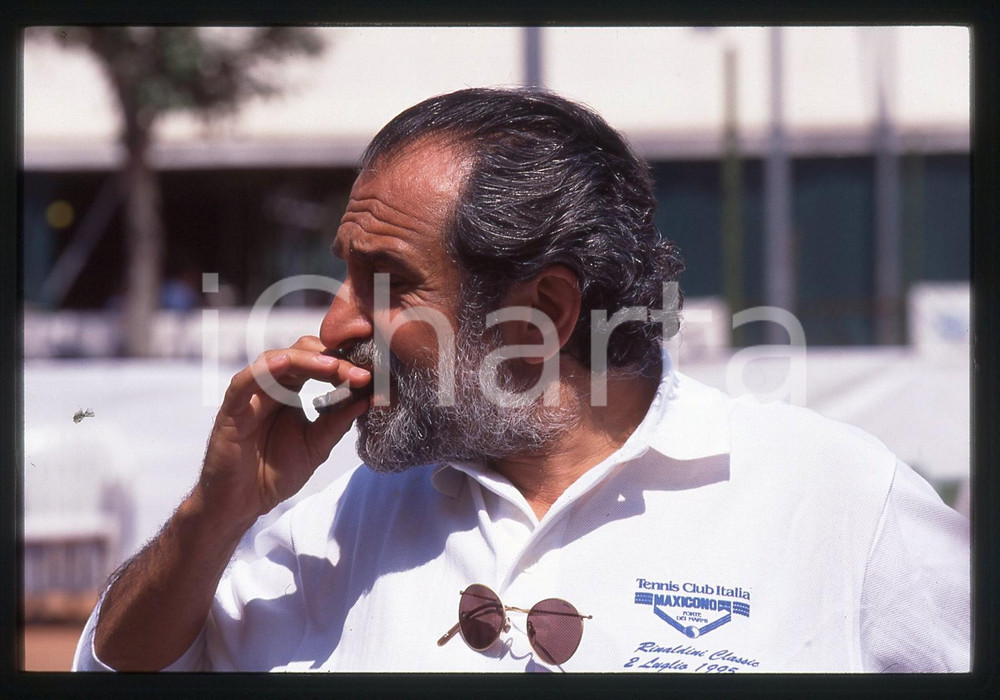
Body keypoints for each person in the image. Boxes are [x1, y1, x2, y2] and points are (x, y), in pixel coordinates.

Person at [73, 88, 969, 673]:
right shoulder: (332, 521)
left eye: (388, 282)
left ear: (542, 309)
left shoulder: (839, 499)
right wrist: (215, 514)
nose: (336, 325)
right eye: (344, 273)